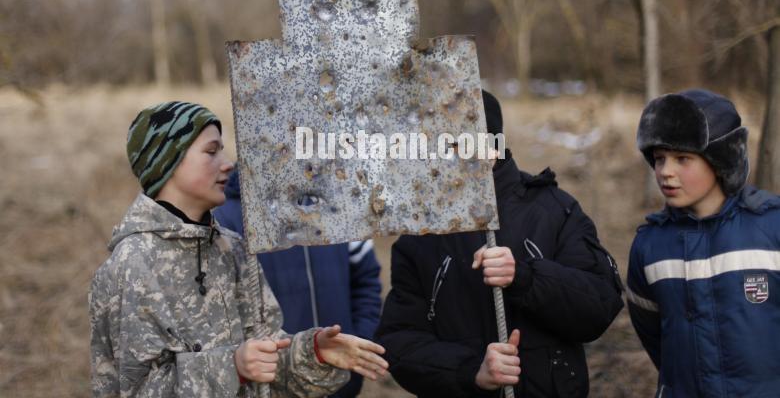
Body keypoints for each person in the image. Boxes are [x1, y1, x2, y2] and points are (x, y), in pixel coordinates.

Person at [89, 101, 388, 397]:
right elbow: (136, 390)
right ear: (168, 161)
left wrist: (313, 353)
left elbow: (265, 360)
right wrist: (232, 367)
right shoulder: (131, 266)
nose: (228, 163)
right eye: (211, 151)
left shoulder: (233, 249)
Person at [375, 91, 624, 397]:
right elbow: (399, 342)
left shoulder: (554, 210)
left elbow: (600, 305)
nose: (444, 156)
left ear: (491, 146)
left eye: (457, 143)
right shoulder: (422, 235)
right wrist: (471, 370)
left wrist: (526, 277)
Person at [627, 89, 780, 397]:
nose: (666, 172)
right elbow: (655, 336)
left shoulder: (772, 229)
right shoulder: (650, 247)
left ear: (721, 160)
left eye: (683, 158)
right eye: (659, 159)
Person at [214, 169, 382, 398]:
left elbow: (366, 281)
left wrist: (359, 338)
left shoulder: (343, 205)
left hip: (342, 382)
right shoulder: (227, 217)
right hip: (272, 386)